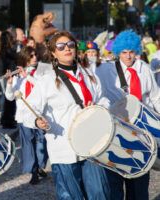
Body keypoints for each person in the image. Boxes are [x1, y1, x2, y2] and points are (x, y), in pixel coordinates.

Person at [22, 31, 111, 200]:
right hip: (63, 147)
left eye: (70, 45)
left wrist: (99, 106)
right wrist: (37, 120)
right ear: (54, 53)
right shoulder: (46, 80)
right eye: (61, 46)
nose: (67, 49)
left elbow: (104, 99)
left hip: (92, 144)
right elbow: (28, 110)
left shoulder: (89, 75)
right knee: (69, 196)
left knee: (100, 194)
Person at [95, 30, 160, 200]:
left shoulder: (144, 69)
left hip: (141, 132)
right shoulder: (105, 70)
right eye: (124, 52)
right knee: (115, 182)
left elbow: (155, 97)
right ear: (118, 52)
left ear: (136, 51)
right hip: (116, 132)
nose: (128, 56)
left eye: (131, 52)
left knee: (139, 183)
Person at [5, 46, 48, 185]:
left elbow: (43, 89)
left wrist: (27, 77)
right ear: (24, 58)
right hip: (24, 115)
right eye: (31, 56)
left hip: (40, 114)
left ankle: (41, 165)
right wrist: (10, 84)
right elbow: (10, 97)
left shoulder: (42, 71)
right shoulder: (17, 75)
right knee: (28, 144)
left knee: (42, 142)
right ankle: (33, 171)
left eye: (35, 55)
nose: (34, 58)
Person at [0, 31, 18, 129]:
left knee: (7, 99)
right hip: (9, 75)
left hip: (3, 75)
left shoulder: (0, 50)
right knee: (10, 99)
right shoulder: (9, 51)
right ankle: (8, 120)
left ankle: (6, 119)